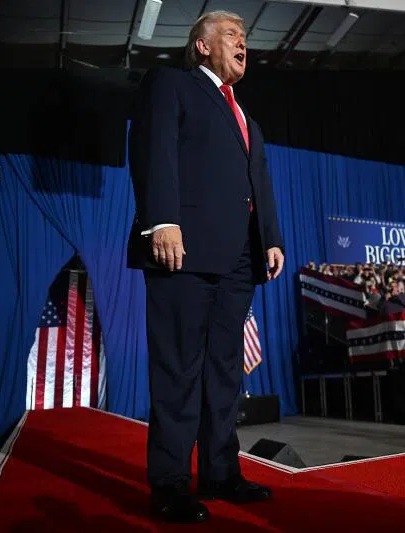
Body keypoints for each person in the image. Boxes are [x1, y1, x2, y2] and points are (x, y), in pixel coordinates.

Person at [126, 10, 284, 524]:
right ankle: (170, 484)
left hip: (239, 260)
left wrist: (271, 240)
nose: (244, 44)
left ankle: (220, 472)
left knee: (222, 374)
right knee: (178, 371)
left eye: (245, 38)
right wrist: (162, 221)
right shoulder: (171, 84)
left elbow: (257, 183)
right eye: (234, 36)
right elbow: (154, 152)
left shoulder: (248, 121)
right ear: (202, 46)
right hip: (184, 250)